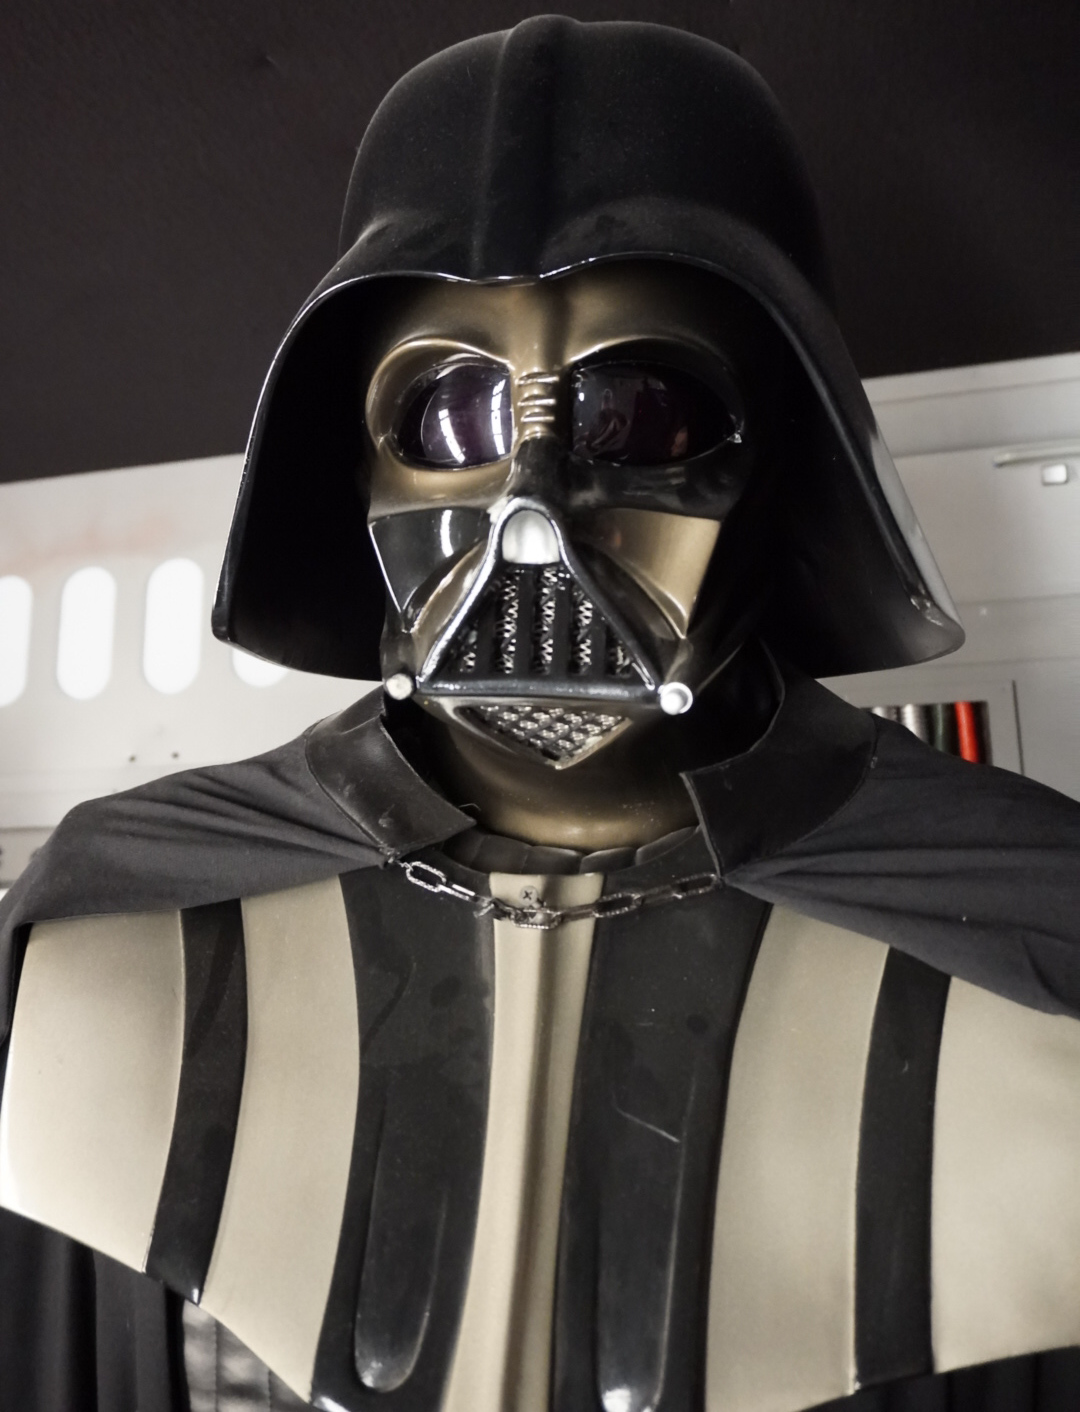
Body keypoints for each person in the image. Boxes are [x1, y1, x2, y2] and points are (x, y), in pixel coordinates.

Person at [2, 18, 1080, 1412]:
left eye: (640, 413)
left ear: (785, 460)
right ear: (358, 465)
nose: (531, 514)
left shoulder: (1030, 940)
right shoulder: (113, 934)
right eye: (449, 413)